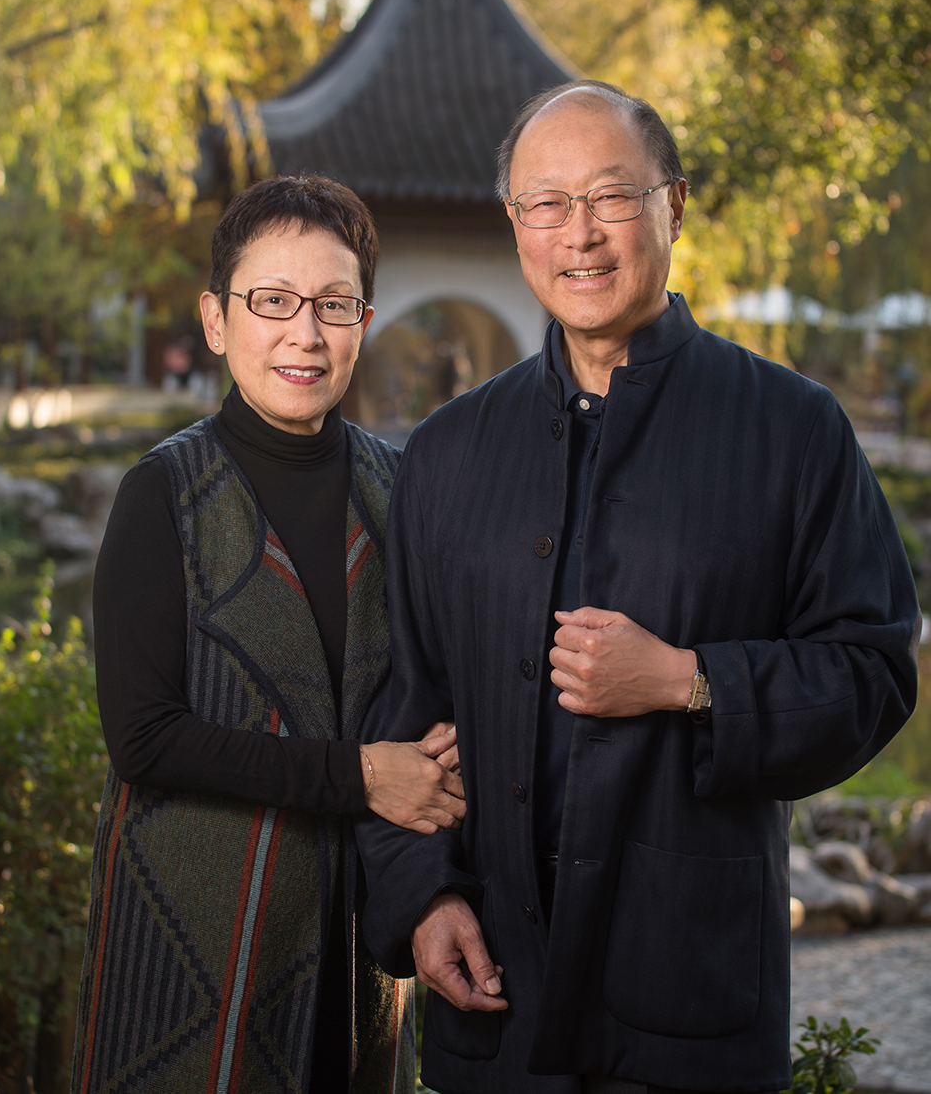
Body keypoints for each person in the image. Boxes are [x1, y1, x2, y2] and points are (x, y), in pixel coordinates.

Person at [356, 81, 920, 1094]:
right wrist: (421, 899)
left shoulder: (791, 431)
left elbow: (873, 673)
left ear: (675, 205)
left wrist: (686, 680)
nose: (580, 234)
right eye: (546, 203)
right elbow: (405, 719)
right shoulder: (444, 455)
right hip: (494, 1008)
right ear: (515, 226)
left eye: (611, 195)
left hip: (690, 1001)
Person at [71, 174, 465, 1094]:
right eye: (274, 301)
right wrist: (365, 775)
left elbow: (432, 696)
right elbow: (143, 736)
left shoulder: (401, 491)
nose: (306, 332)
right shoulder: (161, 494)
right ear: (217, 320)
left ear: (363, 320)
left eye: (334, 304)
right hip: (190, 932)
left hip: (355, 939)